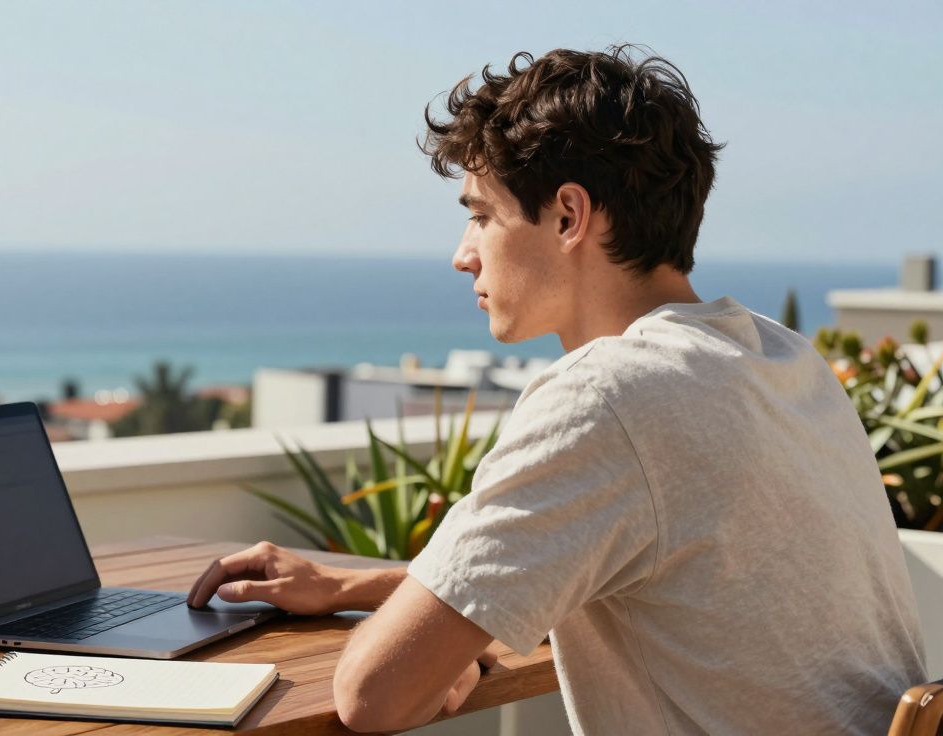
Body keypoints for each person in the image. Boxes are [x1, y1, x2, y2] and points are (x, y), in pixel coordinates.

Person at [186, 45, 926, 734]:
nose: (461, 256)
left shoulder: (610, 396)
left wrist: (424, 660)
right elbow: (651, 574)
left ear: (568, 215)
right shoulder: (777, 357)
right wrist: (354, 591)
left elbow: (371, 697)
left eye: (480, 215)